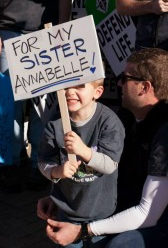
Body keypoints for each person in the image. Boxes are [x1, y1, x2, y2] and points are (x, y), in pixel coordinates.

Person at [38, 48, 168, 248]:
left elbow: (148, 213)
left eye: (125, 78)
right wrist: (60, 195)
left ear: (144, 87)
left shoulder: (164, 134)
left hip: (157, 219)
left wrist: (83, 230)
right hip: (120, 202)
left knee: (120, 245)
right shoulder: (124, 118)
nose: (118, 83)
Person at [37, 76, 125, 247]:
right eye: (65, 86)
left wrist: (83, 151)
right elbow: (43, 161)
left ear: (97, 92)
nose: (70, 92)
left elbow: (110, 165)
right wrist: (57, 171)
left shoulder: (109, 122)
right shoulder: (55, 124)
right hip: (67, 212)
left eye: (79, 86)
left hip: (102, 213)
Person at [0, 0, 72, 192]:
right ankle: (9, 164)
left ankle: (39, 164)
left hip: (46, 35)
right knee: (9, 107)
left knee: (43, 107)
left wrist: (62, 31)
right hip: (8, 32)